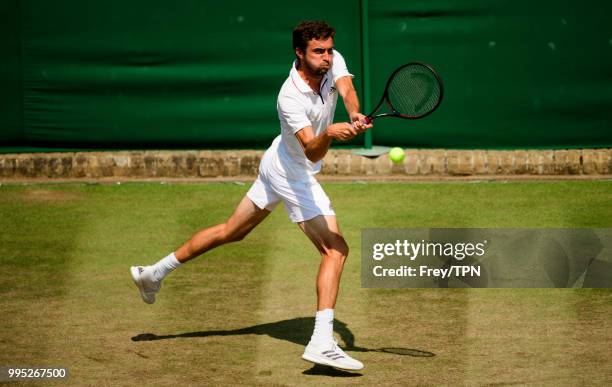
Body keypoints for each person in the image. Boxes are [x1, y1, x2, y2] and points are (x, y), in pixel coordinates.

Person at [131, 20, 373, 371]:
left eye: (329, 50)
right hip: (293, 173)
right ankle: (322, 342)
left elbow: (346, 86)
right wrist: (332, 133)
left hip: (276, 161)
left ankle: (153, 272)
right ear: (299, 53)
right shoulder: (289, 97)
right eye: (317, 52)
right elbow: (313, 153)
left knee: (233, 230)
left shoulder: (332, 60)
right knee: (335, 249)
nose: (326, 57)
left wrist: (352, 111)